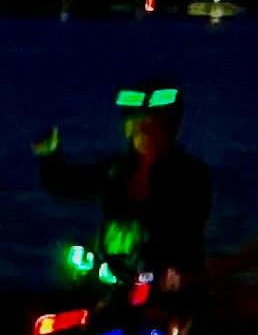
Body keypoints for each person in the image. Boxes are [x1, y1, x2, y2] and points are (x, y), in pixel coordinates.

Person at [36, 80, 214, 280]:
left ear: (169, 129)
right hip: (115, 277)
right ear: (127, 129)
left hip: (167, 280)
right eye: (137, 125)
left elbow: (189, 227)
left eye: (152, 126)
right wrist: (49, 156)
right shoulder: (115, 170)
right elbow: (66, 185)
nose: (143, 132)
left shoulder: (191, 173)